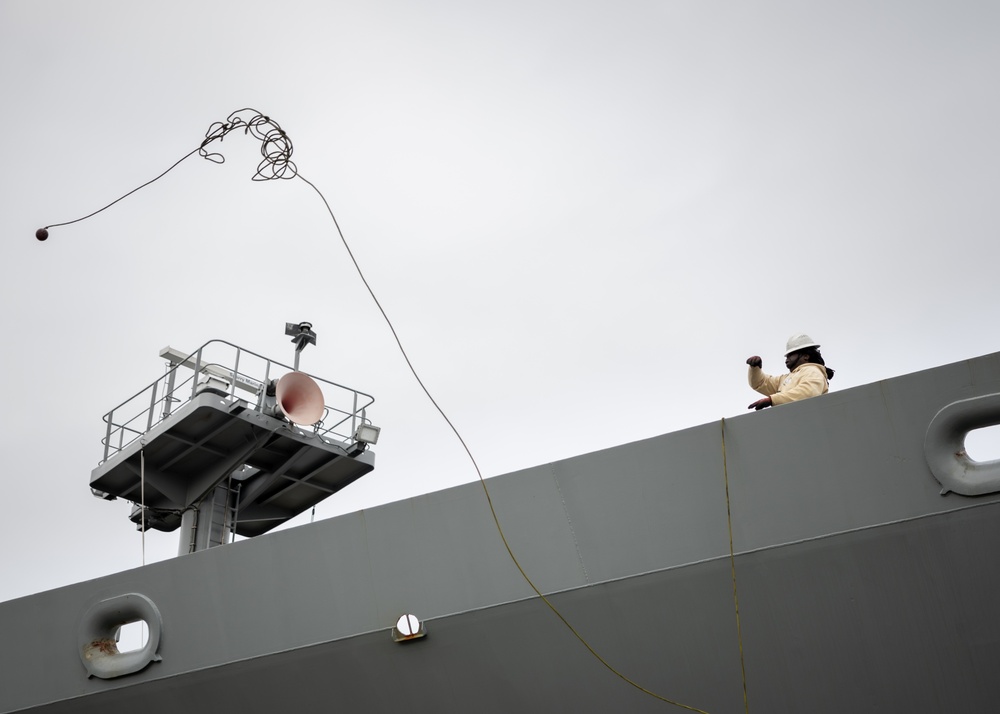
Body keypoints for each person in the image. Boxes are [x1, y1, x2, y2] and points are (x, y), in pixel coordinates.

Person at [746, 334, 835, 410]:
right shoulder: (786, 378)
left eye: (791, 355)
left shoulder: (813, 372)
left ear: (806, 356)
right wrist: (755, 368)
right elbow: (761, 383)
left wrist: (772, 400)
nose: (787, 359)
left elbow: (807, 393)